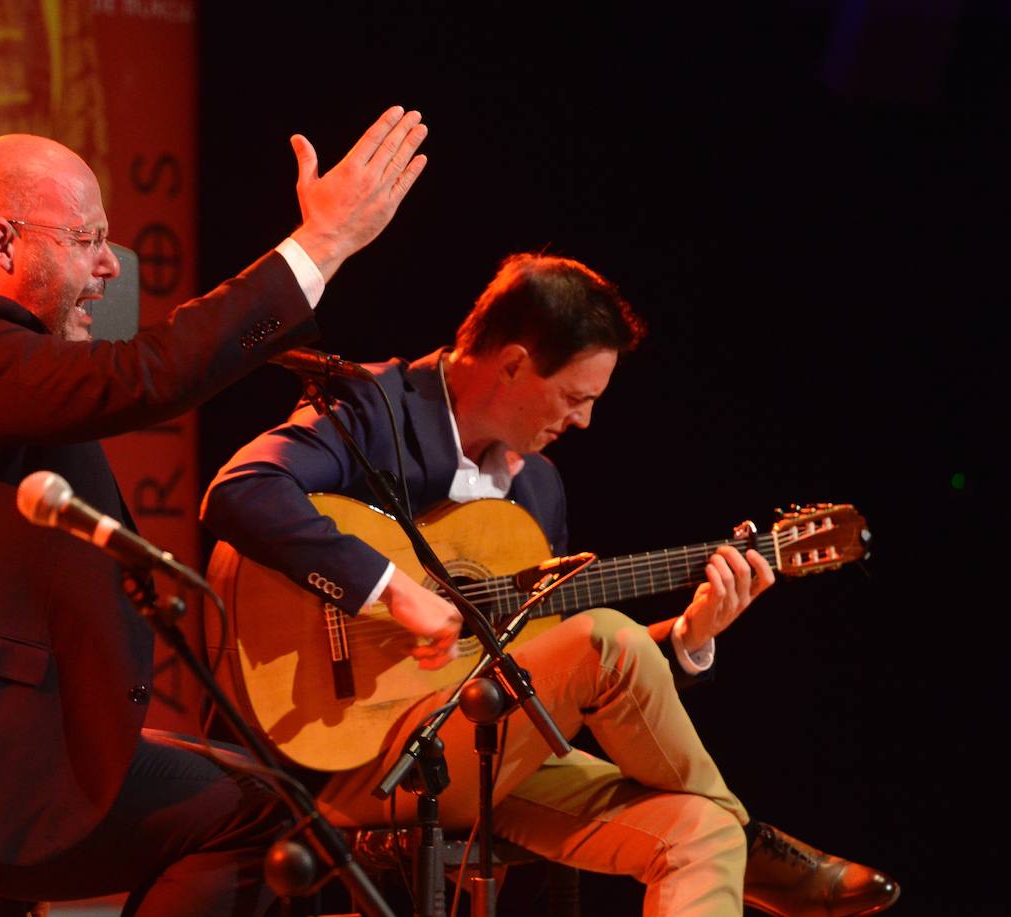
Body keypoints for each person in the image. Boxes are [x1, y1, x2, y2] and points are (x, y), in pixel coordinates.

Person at [0, 106, 428, 916]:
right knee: (263, 814)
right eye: (87, 240)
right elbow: (142, 375)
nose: (112, 267)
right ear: (4, 242)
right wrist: (321, 245)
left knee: (259, 793)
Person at [200, 253, 901, 916]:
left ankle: (735, 839)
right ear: (512, 364)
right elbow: (242, 490)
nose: (584, 419)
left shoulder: (538, 486)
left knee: (699, 829)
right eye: (574, 395)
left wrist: (691, 637)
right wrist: (391, 588)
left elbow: (549, 667)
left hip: (481, 754)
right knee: (604, 635)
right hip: (348, 756)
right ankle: (761, 849)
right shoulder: (374, 411)